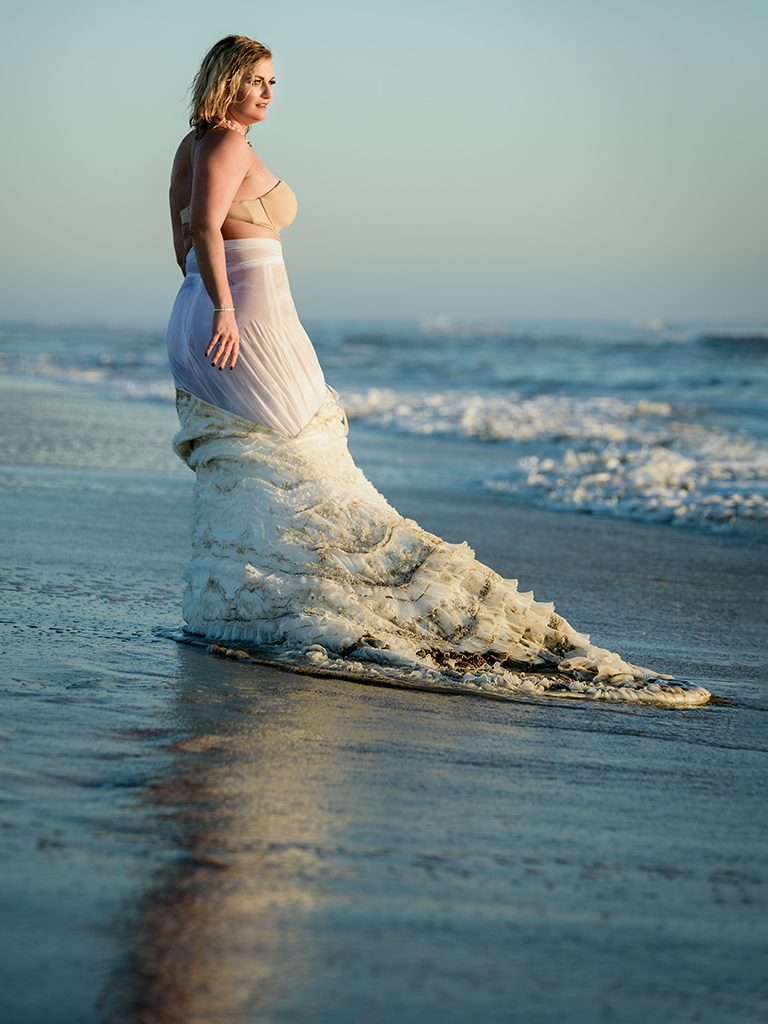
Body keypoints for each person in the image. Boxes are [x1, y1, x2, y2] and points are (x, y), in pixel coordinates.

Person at [166, 35, 709, 707]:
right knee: (304, 462)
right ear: (227, 80)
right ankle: (283, 596)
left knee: (273, 463)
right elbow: (205, 231)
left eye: (275, 82)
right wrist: (224, 307)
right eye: (256, 80)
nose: (269, 93)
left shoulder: (193, 145)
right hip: (243, 317)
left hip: (210, 314)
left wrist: (202, 301)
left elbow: (181, 239)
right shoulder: (222, 144)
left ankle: (250, 592)